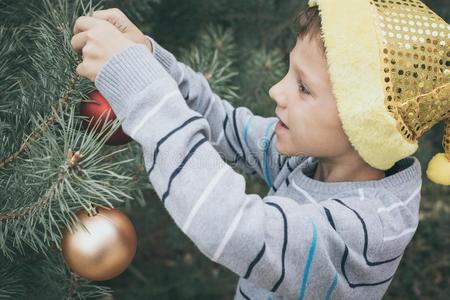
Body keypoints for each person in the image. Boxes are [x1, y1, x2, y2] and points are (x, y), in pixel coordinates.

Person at [70, 0, 450, 298]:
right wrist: (150, 60)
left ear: (363, 123)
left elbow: (229, 225)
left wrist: (141, 89)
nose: (277, 92)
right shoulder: (313, 160)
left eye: (303, 87)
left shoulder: (363, 231)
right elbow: (228, 128)